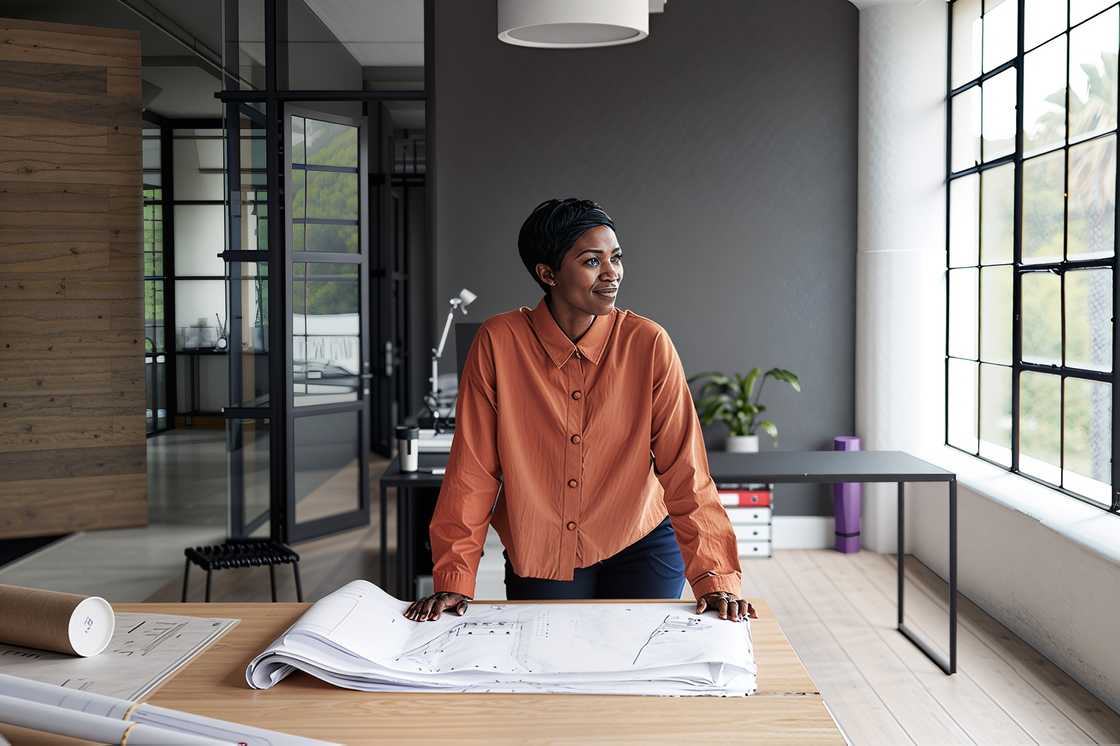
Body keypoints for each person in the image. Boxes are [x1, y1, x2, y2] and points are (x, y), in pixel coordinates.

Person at [404, 198, 756, 624]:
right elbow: (473, 469)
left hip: (641, 540)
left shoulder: (648, 343)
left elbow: (686, 469)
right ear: (547, 273)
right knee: (548, 674)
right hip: (541, 547)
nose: (612, 274)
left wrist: (716, 575)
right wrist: (453, 579)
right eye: (592, 261)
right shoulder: (498, 342)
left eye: (617, 257)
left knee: (639, 671)